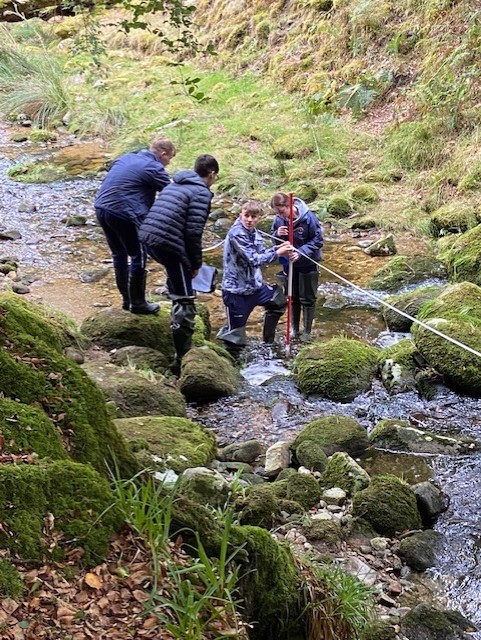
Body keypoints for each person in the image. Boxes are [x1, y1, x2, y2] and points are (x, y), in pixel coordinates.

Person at [138, 154, 219, 364]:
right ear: (211, 174)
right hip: (167, 243)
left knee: (177, 280)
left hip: (148, 237)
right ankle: (183, 355)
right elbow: (193, 233)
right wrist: (195, 264)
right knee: (185, 298)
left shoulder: (176, 183)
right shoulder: (201, 193)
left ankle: (173, 294)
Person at [94, 137, 176, 314]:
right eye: (170, 158)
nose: (169, 163)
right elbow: (173, 194)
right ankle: (138, 303)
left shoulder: (126, 157)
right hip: (124, 213)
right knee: (138, 254)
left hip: (102, 207)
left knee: (118, 253)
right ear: (163, 154)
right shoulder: (154, 168)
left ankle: (127, 300)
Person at [217, 200, 294, 357]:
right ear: (241, 215)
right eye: (246, 216)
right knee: (235, 339)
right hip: (236, 292)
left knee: (278, 301)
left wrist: (277, 248)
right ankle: (232, 362)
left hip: (256, 288)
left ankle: (268, 344)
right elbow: (253, 260)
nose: (249, 220)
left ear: (259, 218)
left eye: (254, 217)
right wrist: (278, 253)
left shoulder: (255, 233)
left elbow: (261, 253)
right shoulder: (236, 234)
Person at [270, 192, 323, 341]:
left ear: (290, 206)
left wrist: (301, 253)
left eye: (282, 212)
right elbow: (273, 240)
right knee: (292, 297)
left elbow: (318, 240)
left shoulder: (309, 218)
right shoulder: (279, 220)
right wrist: (277, 234)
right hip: (289, 264)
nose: (280, 216)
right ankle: (294, 329)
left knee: (308, 298)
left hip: (308, 263)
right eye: (277, 213)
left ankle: (307, 331)